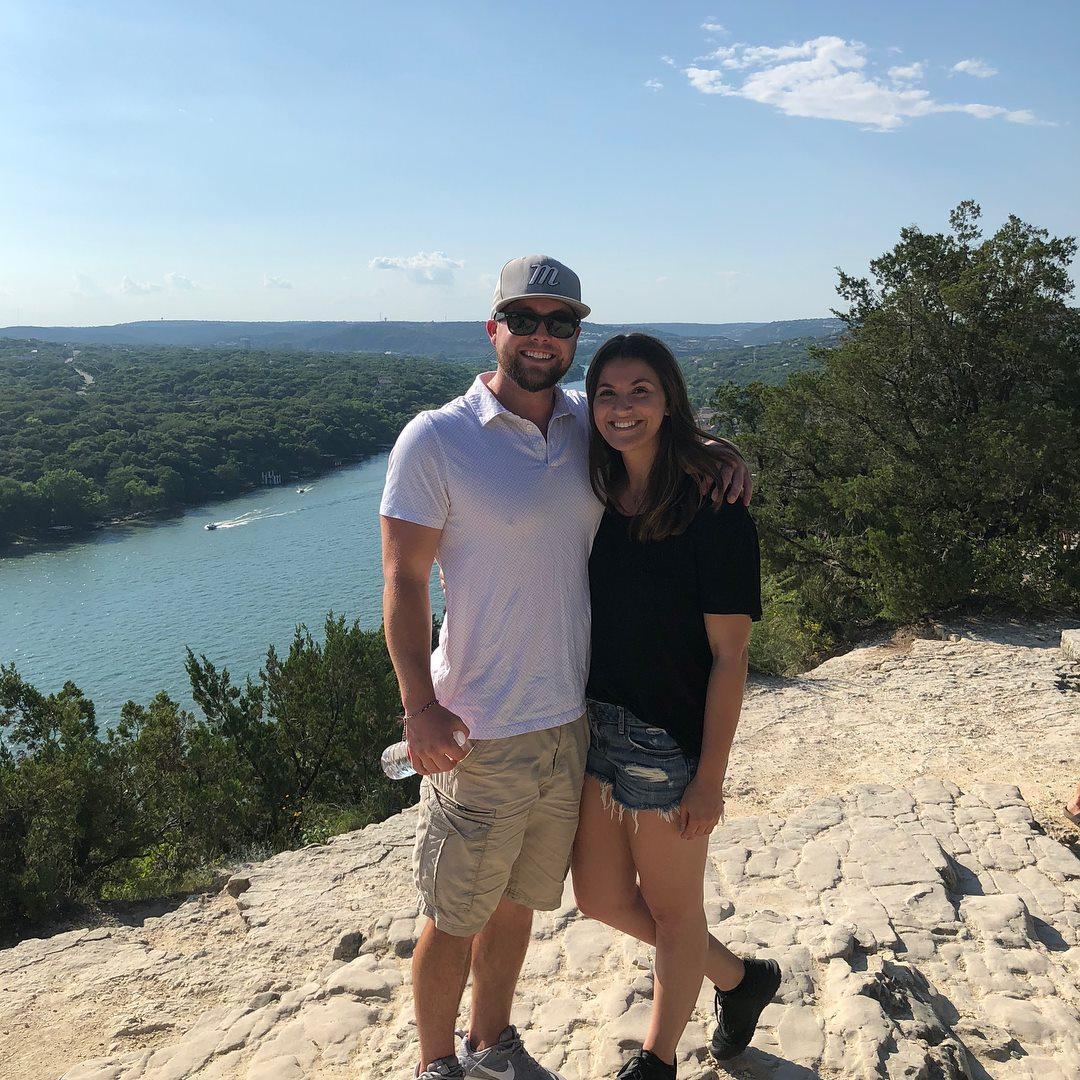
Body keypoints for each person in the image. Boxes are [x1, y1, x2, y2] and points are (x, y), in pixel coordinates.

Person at [380, 257, 751, 1080]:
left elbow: (654, 420)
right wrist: (418, 707)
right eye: (526, 318)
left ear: (575, 335)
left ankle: (494, 1046)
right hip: (479, 728)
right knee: (454, 914)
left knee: (519, 906)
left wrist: (721, 453)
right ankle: (438, 1065)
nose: (543, 336)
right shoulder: (437, 438)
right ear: (494, 327)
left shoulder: (587, 420)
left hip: (572, 724)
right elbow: (403, 581)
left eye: (560, 322)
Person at [570, 333, 779, 1079]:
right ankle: (740, 979)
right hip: (595, 726)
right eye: (607, 394)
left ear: (669, 401)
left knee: (673, 911)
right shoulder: (595, 487)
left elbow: (731, 656)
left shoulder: (714, 506)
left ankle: (657, 1059)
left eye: (641, 392)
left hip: (666, 738)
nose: (622, 408)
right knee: (597, 897)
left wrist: (709, 778)